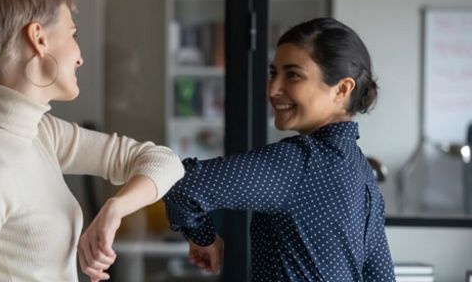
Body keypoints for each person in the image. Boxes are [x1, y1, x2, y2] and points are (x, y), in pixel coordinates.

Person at [0, 0, 184, 282]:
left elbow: (165, 162)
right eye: (72, 34)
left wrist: (115, 208)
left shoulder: (42, 133)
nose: (79, 56)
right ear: (39, 38)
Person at [164, 17, 396, 281]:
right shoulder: (363, 174)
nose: (273, 89)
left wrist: (203, 237)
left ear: (342, 89)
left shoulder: (301, 161)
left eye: (293, 75)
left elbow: (181, 186)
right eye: (273, 73)